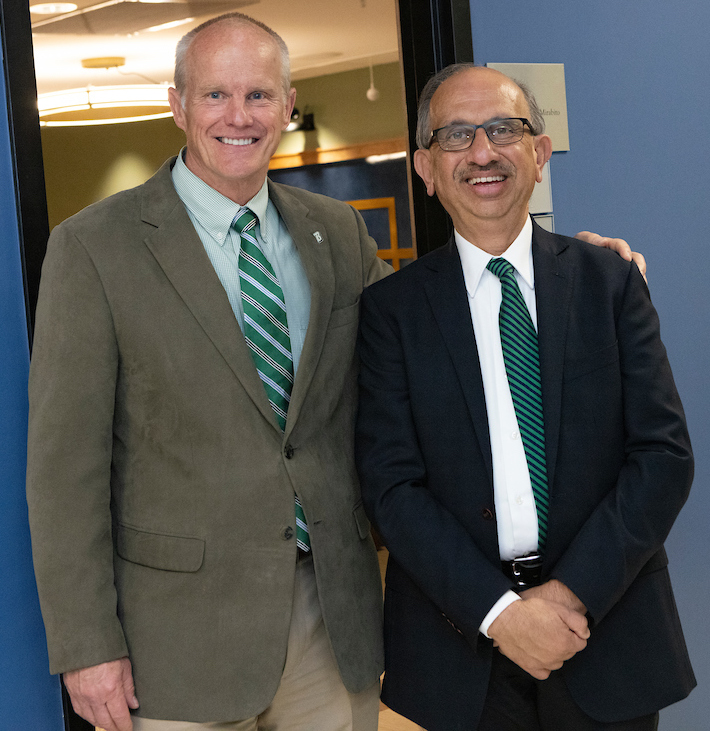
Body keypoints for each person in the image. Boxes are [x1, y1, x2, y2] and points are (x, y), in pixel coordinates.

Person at [26, 12, 643, 730]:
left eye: (259, 95)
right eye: (215, 95)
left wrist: (566, 270)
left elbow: (445, 329)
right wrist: (88, 646)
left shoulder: (337, 233)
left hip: (334, 623)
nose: (239, 116)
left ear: (288, 107)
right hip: (179, 646)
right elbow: (62, 472)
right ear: (177, 105)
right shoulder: (93, 249)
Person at [355, 65, 695, 731]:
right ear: (426, 169)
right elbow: (391, 487)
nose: (482, 152)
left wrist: (567, 598)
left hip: (606, 628)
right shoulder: (389, 313)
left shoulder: (611, 282)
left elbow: (663, 457)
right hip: (461, 652)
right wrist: (502, 614)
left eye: (503, 129)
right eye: (456, 136)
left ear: (539, 153)